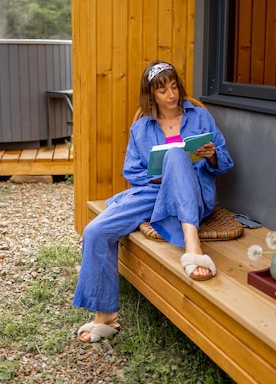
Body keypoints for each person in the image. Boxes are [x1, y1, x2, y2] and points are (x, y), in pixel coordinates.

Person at [72, 61, 234, 343]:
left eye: (174, 87)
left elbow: (225, 162)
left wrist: (210, 155)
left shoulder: (200, 117)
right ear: (151, 95)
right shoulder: (141, 128)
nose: (171, 94)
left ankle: (193, 247)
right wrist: (160, 178)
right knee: (95, 231)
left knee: (175, 155)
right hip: (153, 192)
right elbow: (132, 171)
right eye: (162, 90)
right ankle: (106, 315)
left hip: (193, 192)